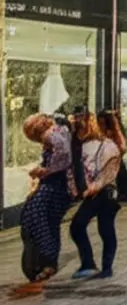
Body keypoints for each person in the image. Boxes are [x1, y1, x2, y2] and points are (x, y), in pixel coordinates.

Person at [18, 114, 73, 287]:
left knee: (36, 215)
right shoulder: (59, 130)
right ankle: (48, 261)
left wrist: (44, 170)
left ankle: (45, 257)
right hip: (60, 186)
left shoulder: (49, 134)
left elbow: (63, 155)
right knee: (50, 222)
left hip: (55, 184)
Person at [69, 111, 124, 280]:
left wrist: (92, 187)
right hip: (98, 193)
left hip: (103, 193)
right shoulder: (80, 145)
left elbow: (108, 172)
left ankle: (94, 265)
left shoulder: (107, 146)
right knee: (102, 228)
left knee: (84, 226)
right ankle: (100, 266)